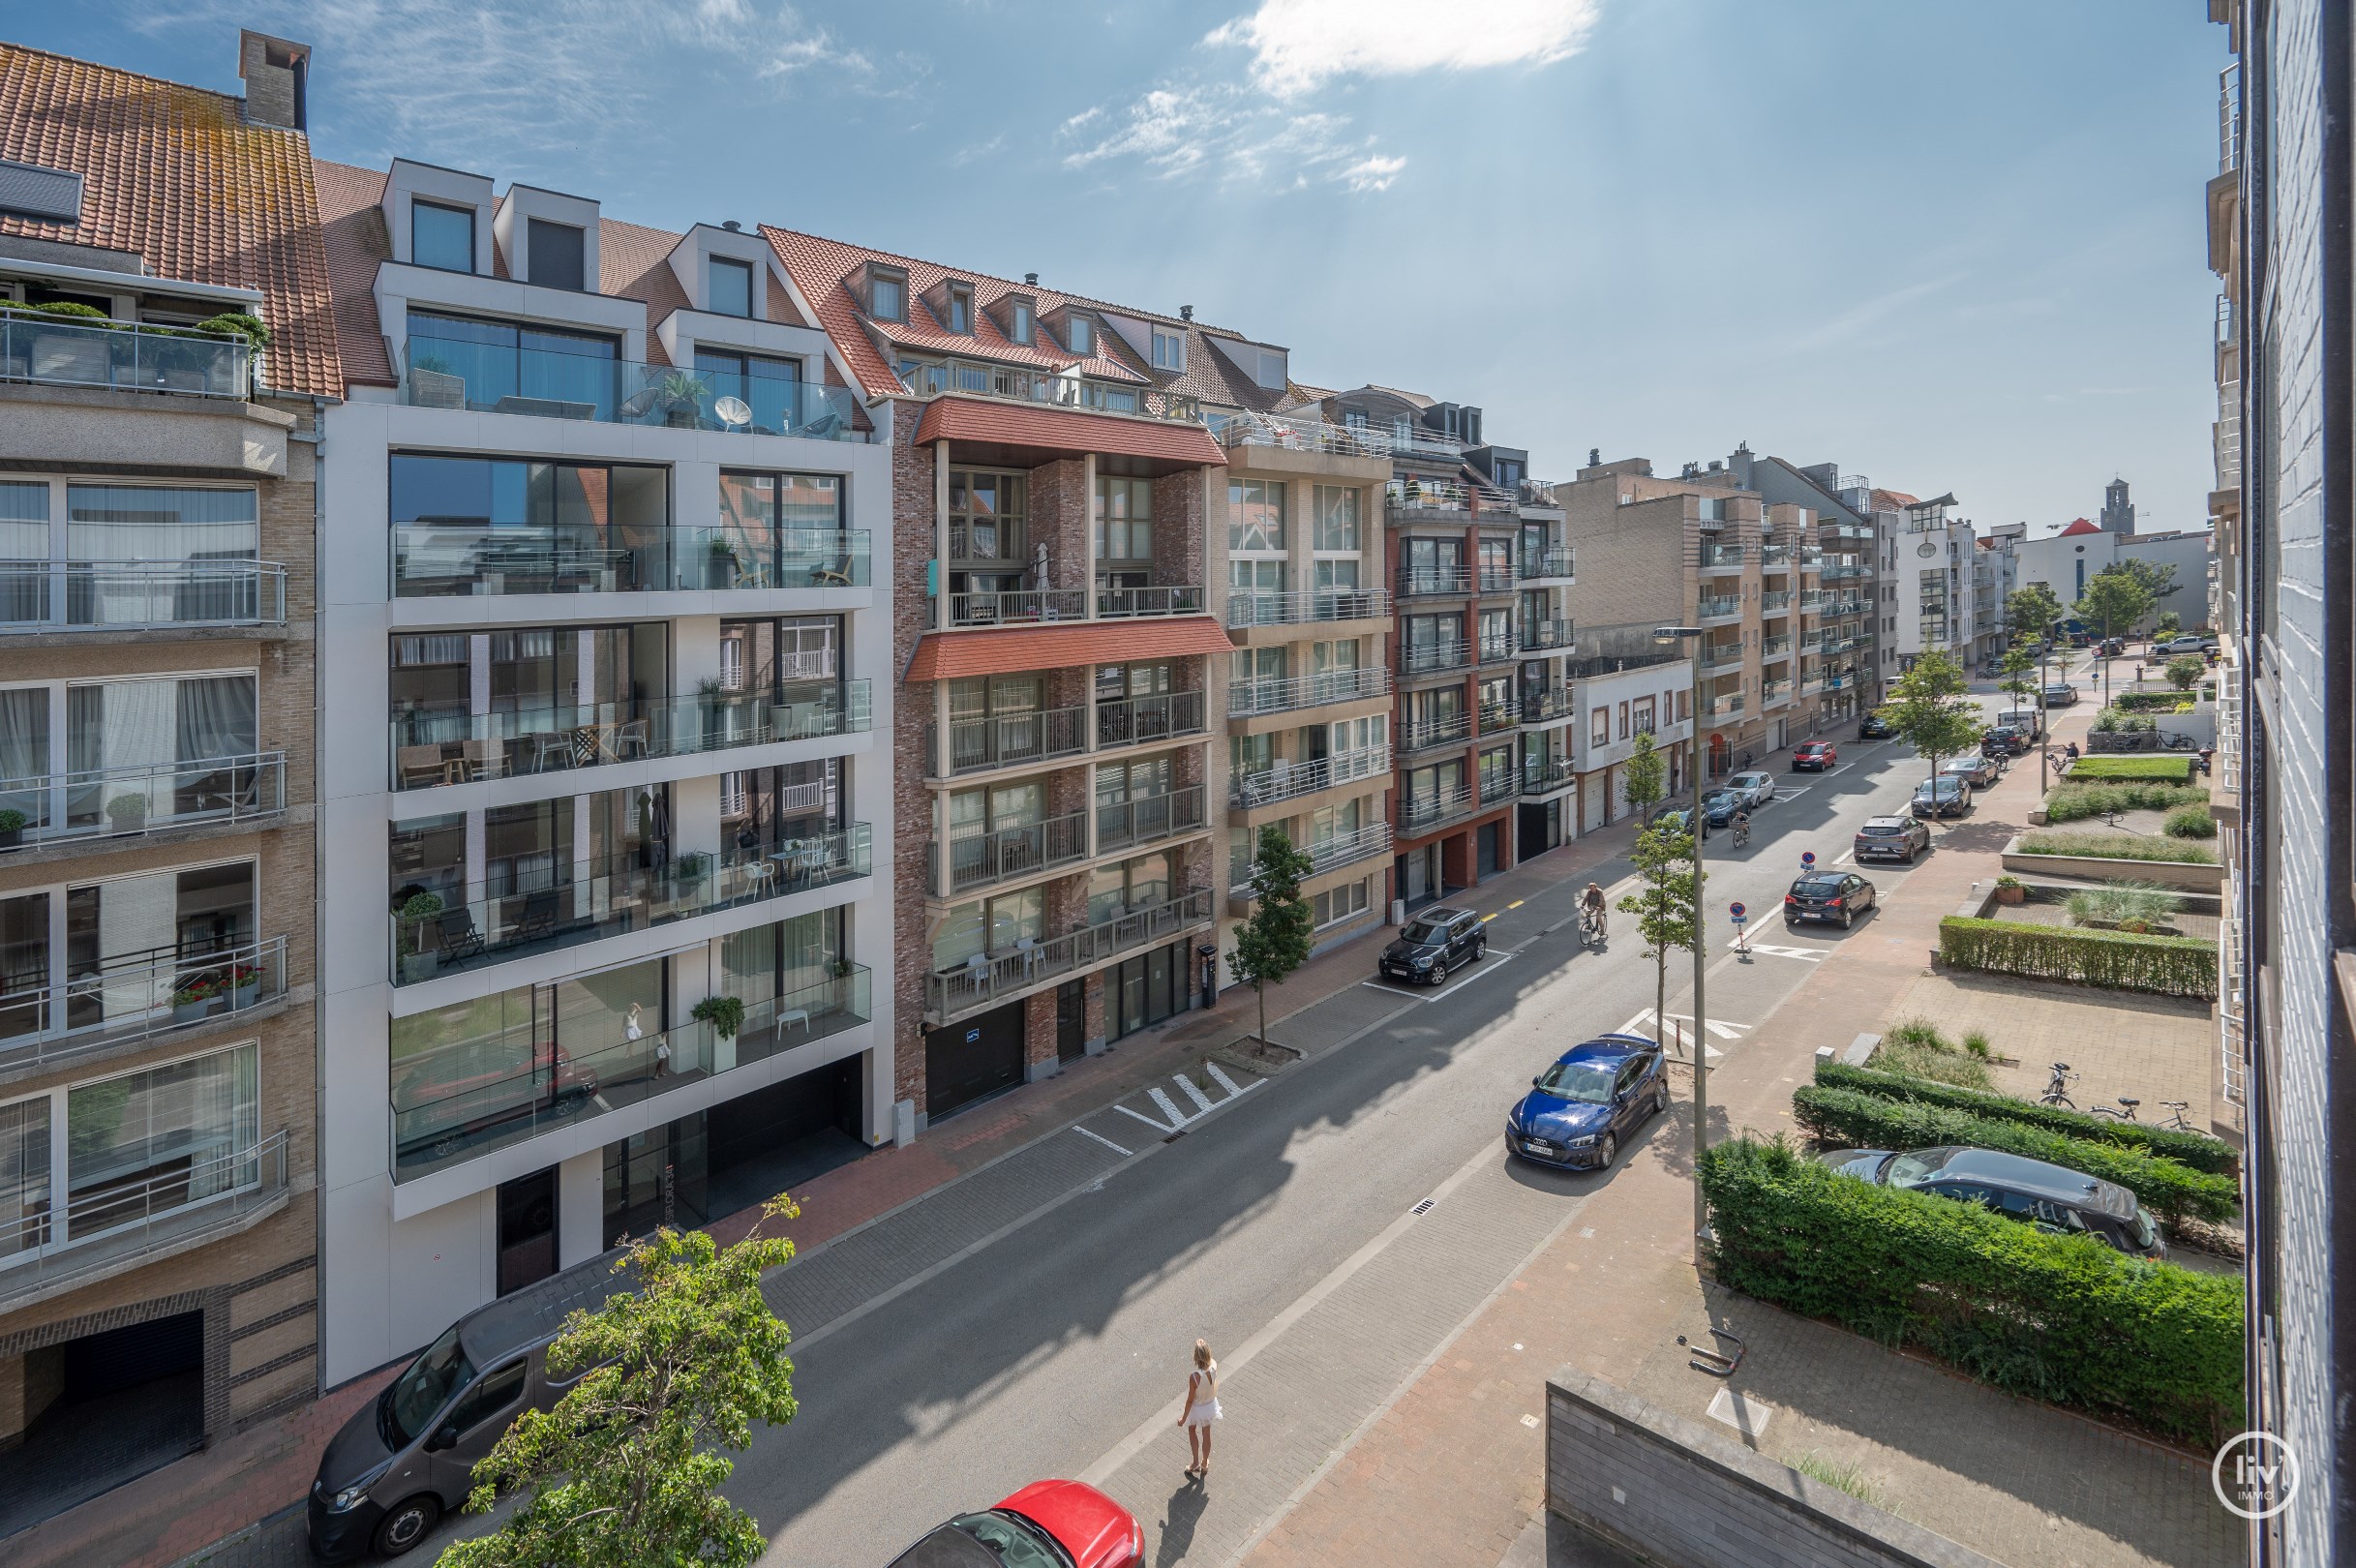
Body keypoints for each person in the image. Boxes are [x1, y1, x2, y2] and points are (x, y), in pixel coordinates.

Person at [1180, 1339, 1221, 1479]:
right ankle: (1204, 1463)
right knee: (1206, 1433)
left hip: (1197, 1408)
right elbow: (1210, 1360)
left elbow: (1190, 1400)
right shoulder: (1214, 1366)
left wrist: (1183, 1418)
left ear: (1196, 1357)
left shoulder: (1194, 1377)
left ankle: (1196, 1462)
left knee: (1192, 1430)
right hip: (1210, 1406)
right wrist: (1203, 1346)